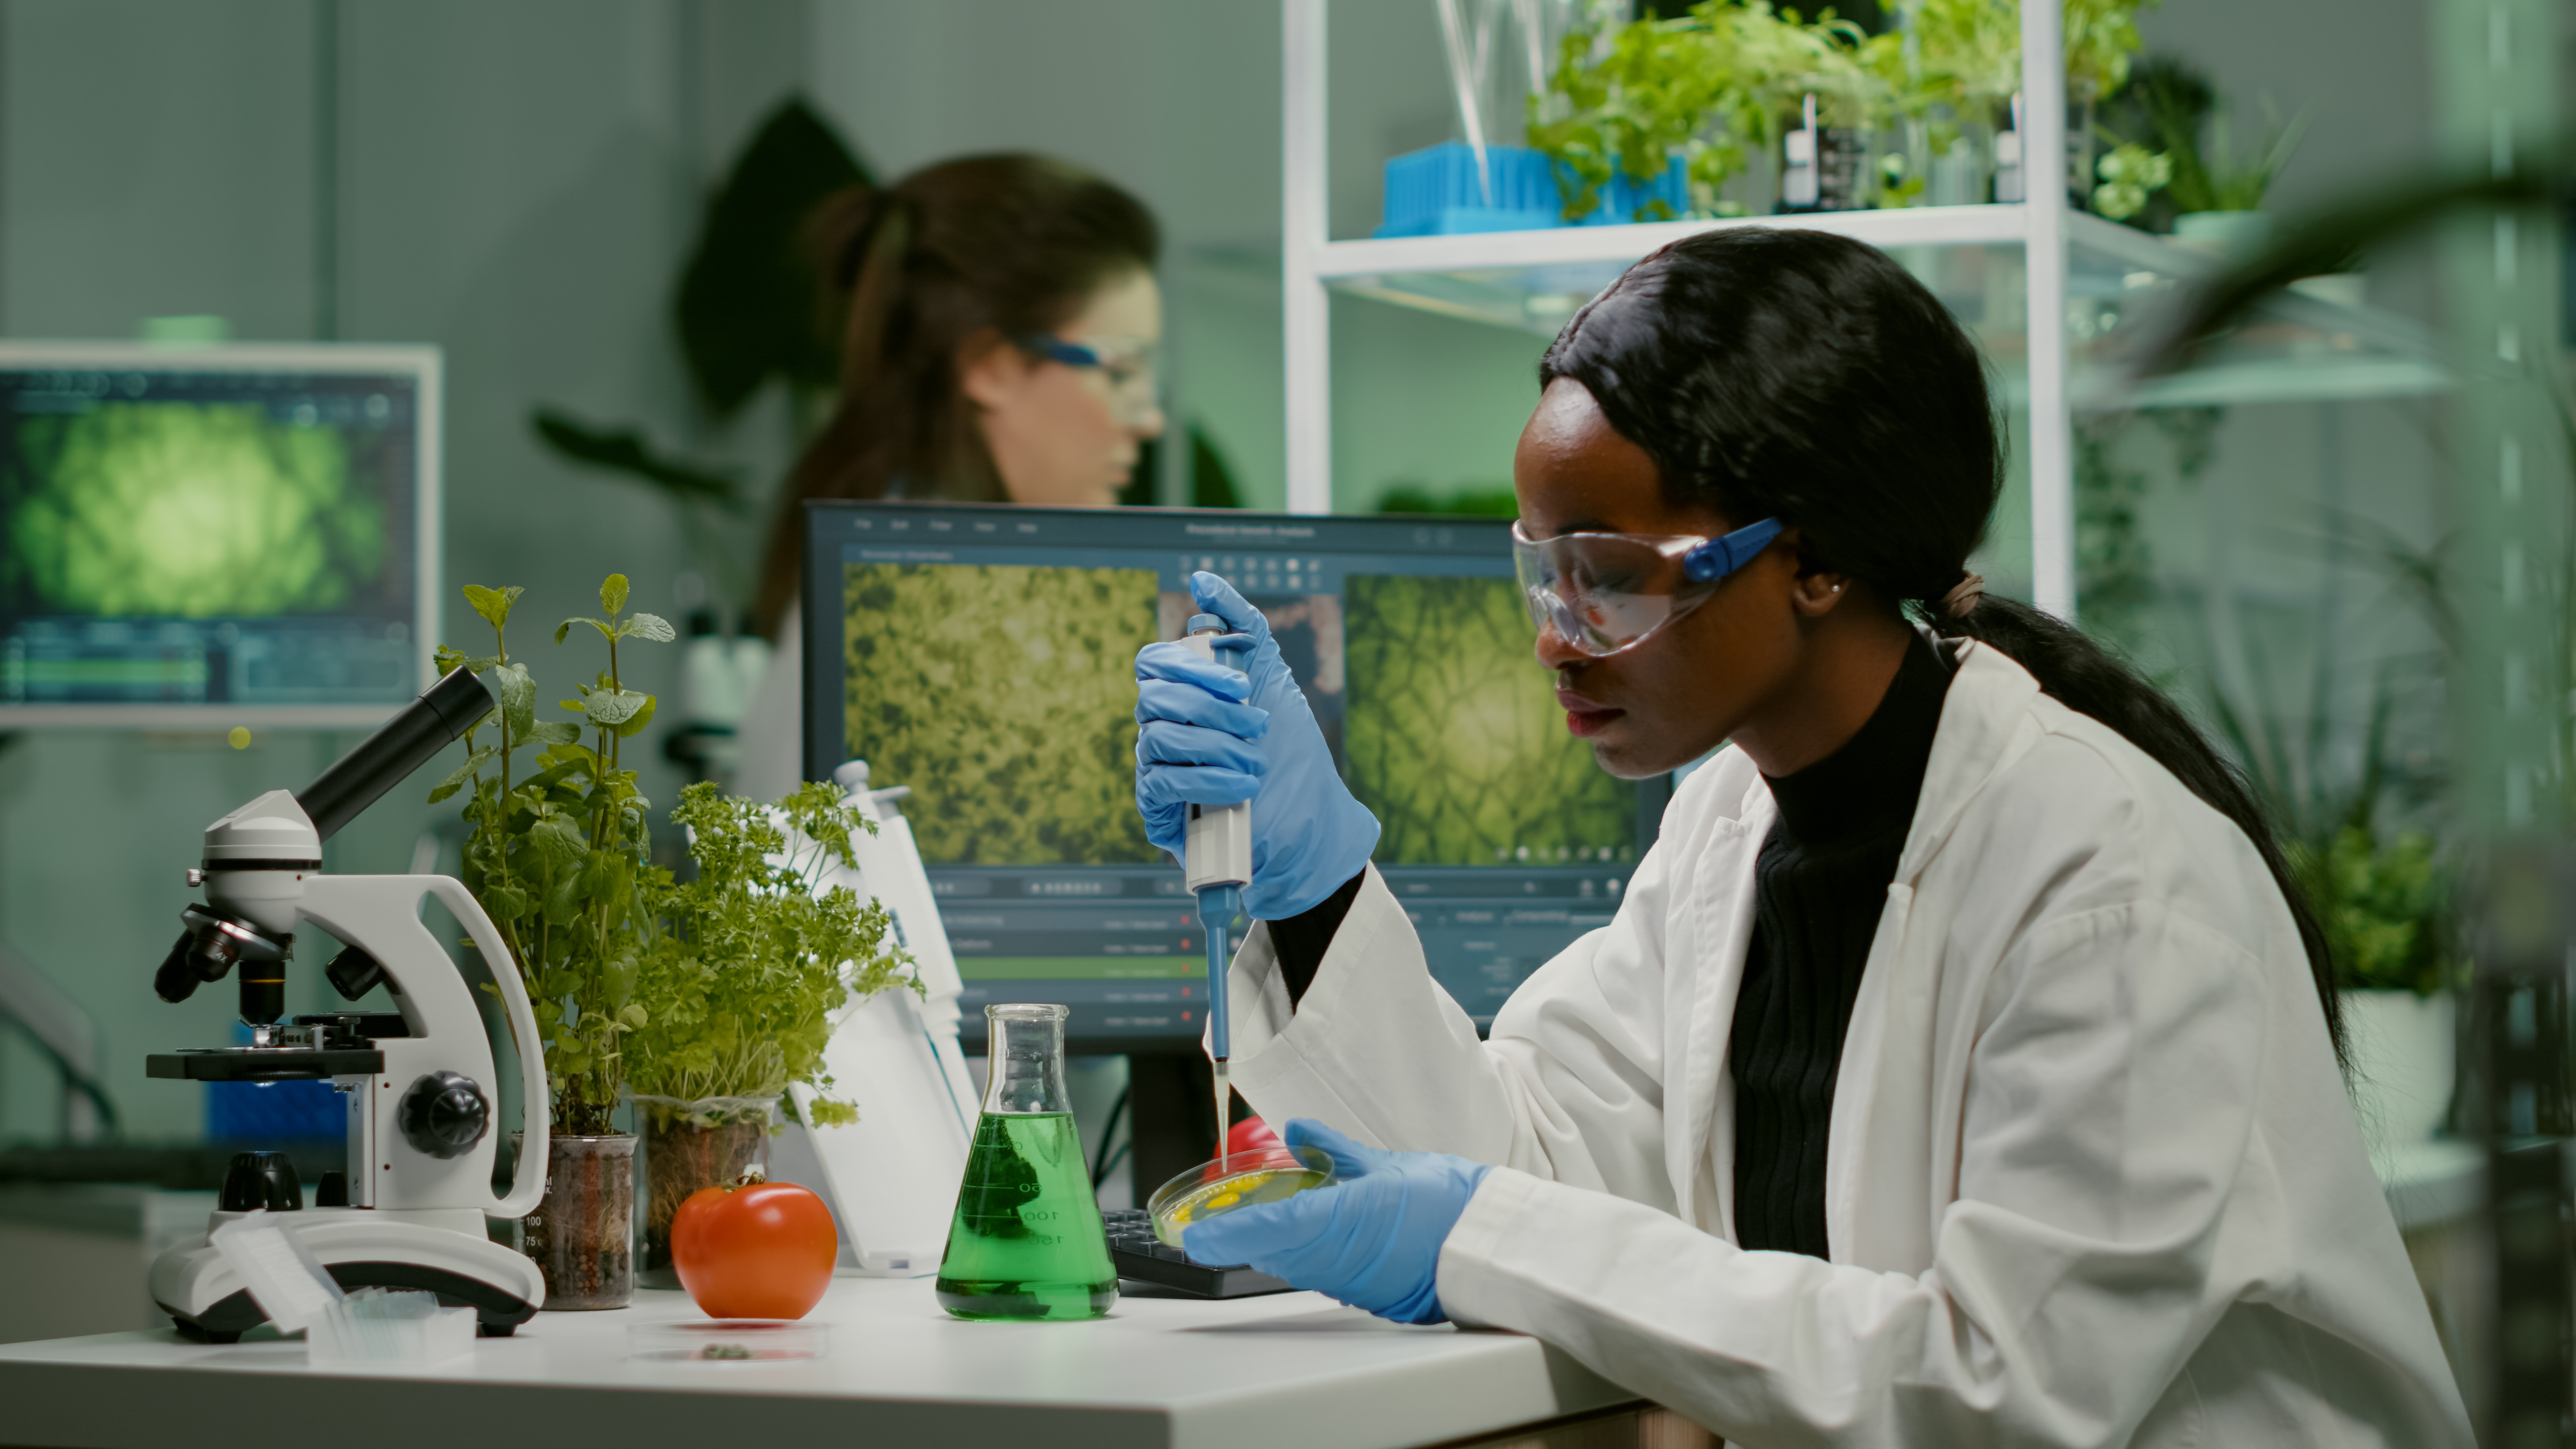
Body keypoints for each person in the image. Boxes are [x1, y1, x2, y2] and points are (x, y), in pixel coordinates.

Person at [1130, 229, 2470, 1445]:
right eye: (1543, 571)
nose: (1556, 639)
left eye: (1610, 578)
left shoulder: (2109, 878)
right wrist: (1314, 890)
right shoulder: (1730, 825)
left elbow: (1999, 1393)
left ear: (1815, 561)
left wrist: (1474, 1230)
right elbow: (1518, 1166)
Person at [735, 153, 1163, 800]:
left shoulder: (915, 565)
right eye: (1121, 372)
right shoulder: (907, 605)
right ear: (990, 368)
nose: (1150, 420)